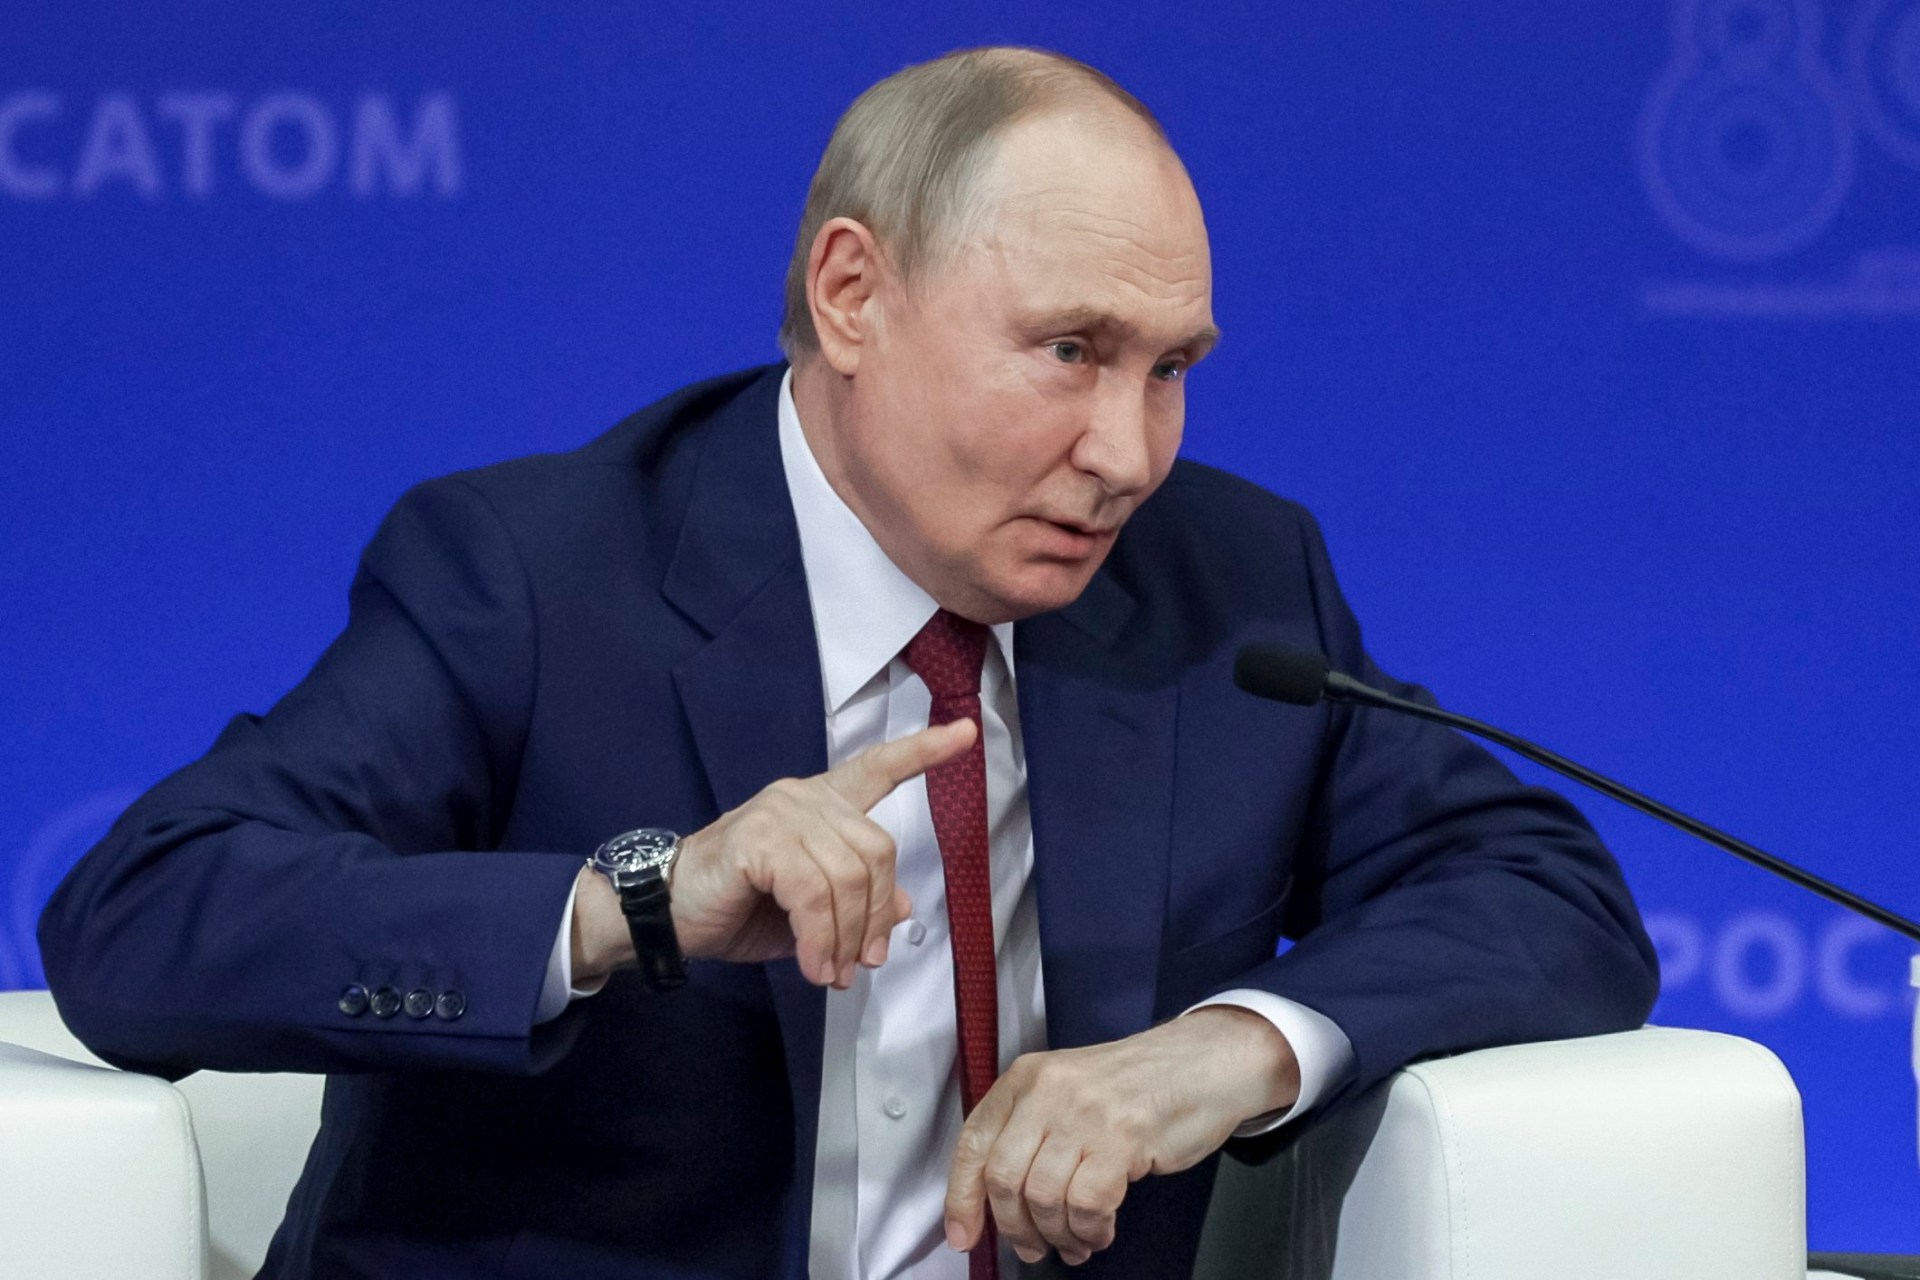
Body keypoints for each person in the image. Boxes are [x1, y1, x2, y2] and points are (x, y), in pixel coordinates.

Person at [38, 47, 1657, 1280]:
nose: (1129, 452)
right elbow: (140, 918)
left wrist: (1219, 1054)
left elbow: (1543, 891)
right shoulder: (537, 572)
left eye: (1173, 370)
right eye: (1073, 351)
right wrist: (637, 904)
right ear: (854, 293)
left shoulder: (1226, 581)